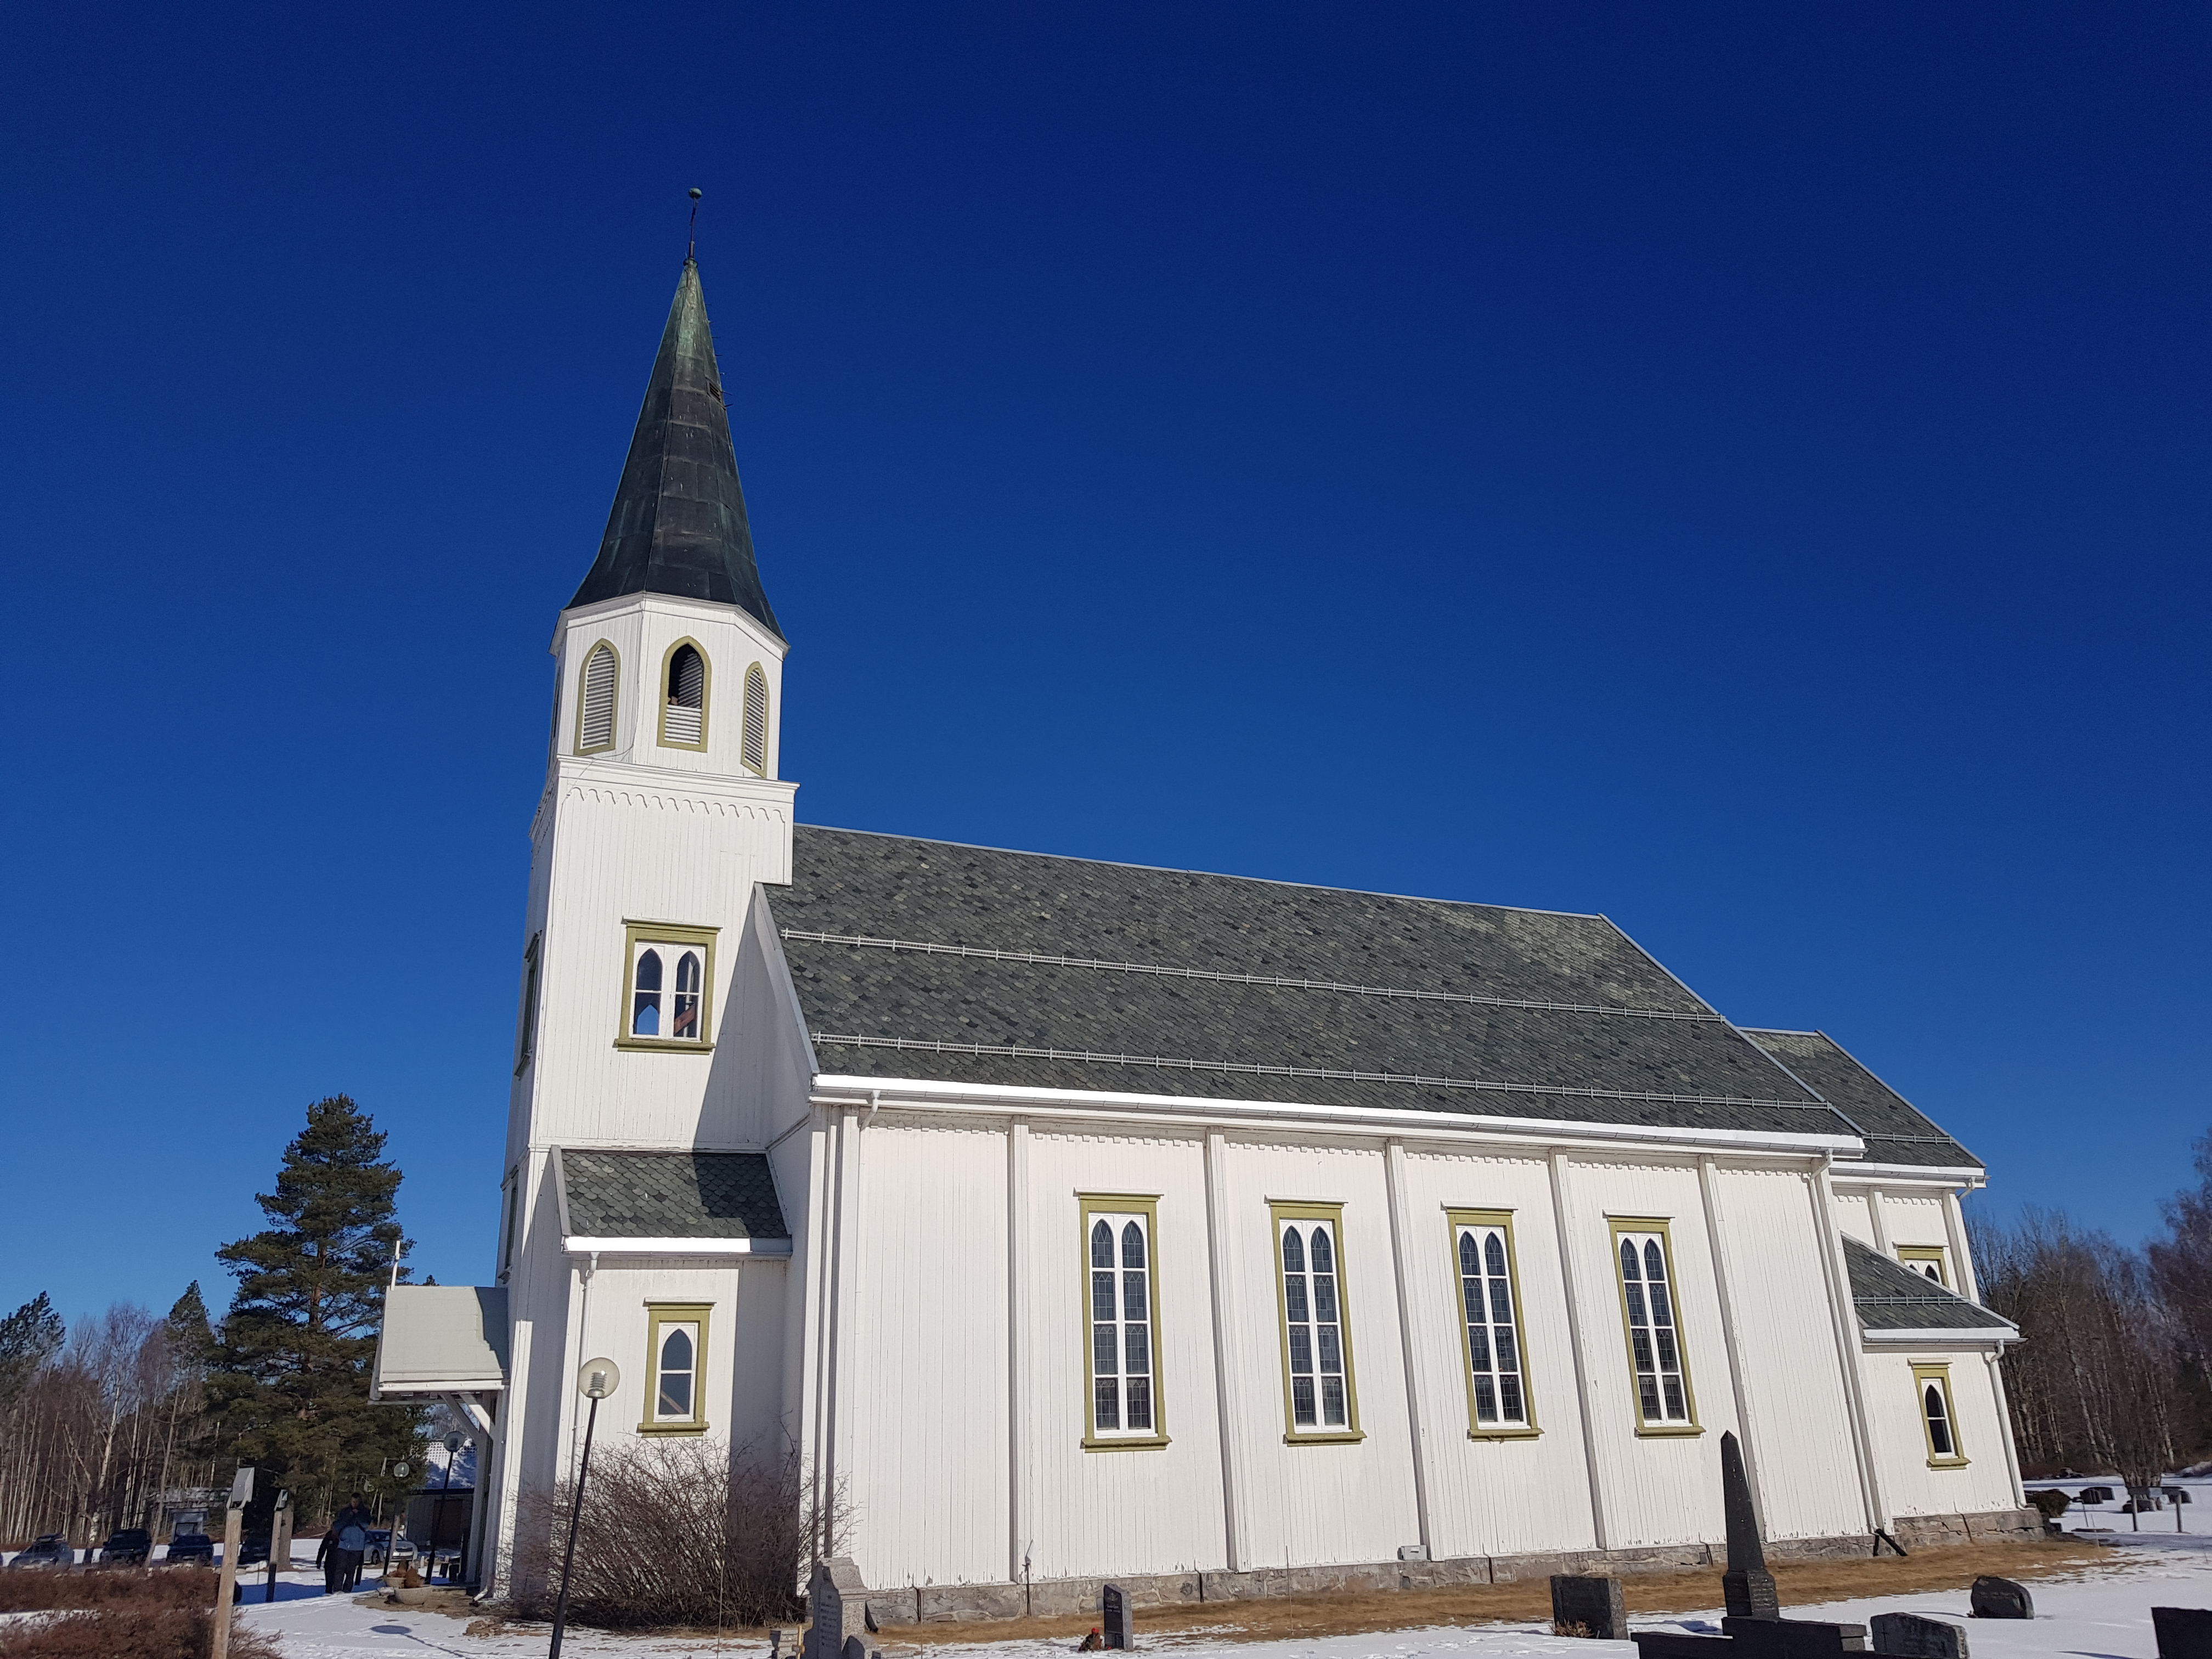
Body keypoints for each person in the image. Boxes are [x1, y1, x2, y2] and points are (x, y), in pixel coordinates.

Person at [325, 1494, 373, 1593]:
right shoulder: (344, 1512)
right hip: (343, 1543)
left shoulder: (365, 1512)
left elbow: (366, 1525)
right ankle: (337, 1589)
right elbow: (337, 1525)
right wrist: (349, 1516)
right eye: (353, 1502)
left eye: (357, 1502)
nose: (354, 1504)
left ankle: (347, 1589)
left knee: (351, 1569)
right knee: (340, 1567)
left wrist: (358, 1516)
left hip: (357, 1546)